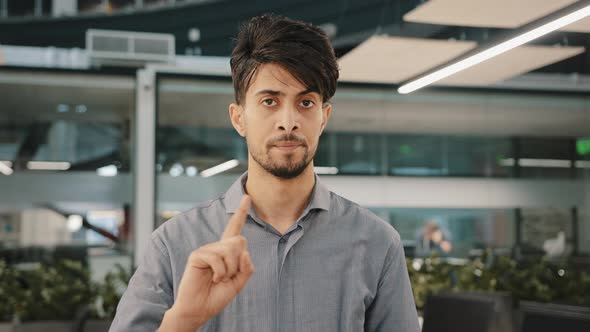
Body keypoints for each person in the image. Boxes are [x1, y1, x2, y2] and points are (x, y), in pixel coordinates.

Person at [109, 14, 419, 332]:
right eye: (270, 100)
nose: (288, 121)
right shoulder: (175, 243)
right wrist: (183, 321)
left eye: (306, 102)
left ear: (324, 117)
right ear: (238, 117)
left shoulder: (377, 243)